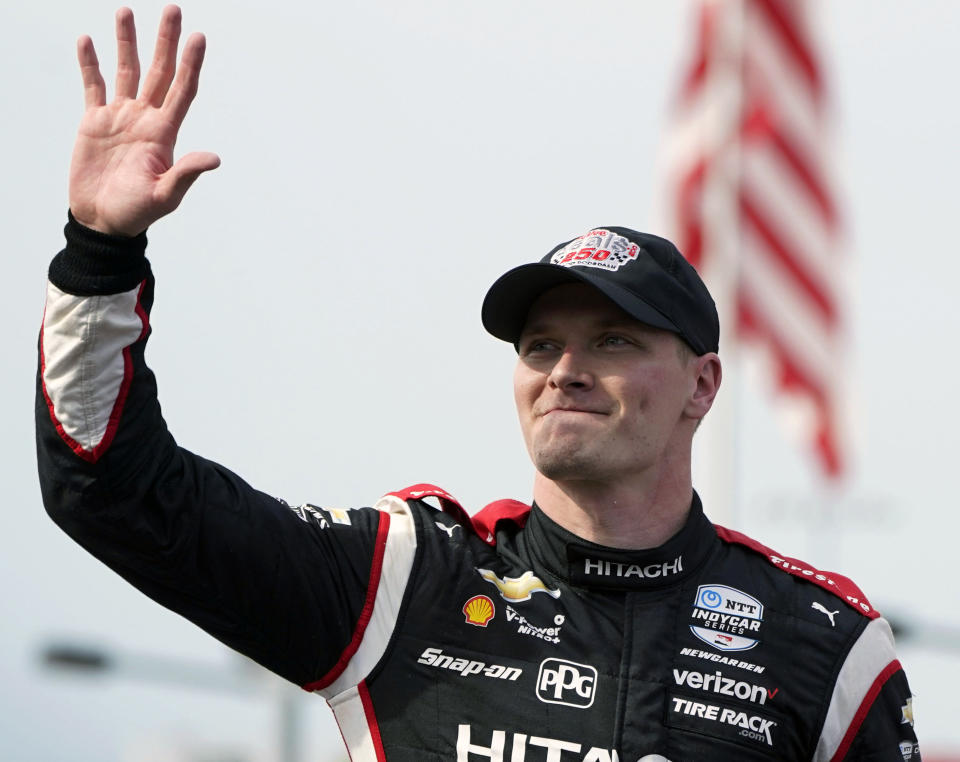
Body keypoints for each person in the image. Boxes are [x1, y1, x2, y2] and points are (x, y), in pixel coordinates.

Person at [36, 6, 921, 761]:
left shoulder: (824, 642)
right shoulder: (405, 577)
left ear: (702, 385)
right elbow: (113, 490)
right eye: (539, 346)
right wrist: (100, 253)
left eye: (610, 340)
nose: (565, 371)